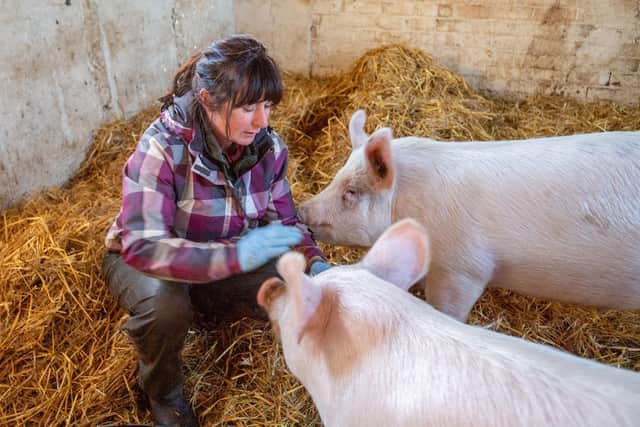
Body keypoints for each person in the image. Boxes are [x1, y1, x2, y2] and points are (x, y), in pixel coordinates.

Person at [102, 34, 331, 427]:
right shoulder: (163, 148)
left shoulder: (268, 149)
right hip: (144, 261)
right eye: (247, 107)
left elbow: (287, 222)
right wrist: (234, 256)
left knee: (289, 274)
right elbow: (143, 244)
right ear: (208, 100)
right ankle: (164, 393)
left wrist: (318, 266)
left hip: (219, 258)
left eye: (267, 105)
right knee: (166, 305)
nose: (262, 121)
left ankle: (206, 305)